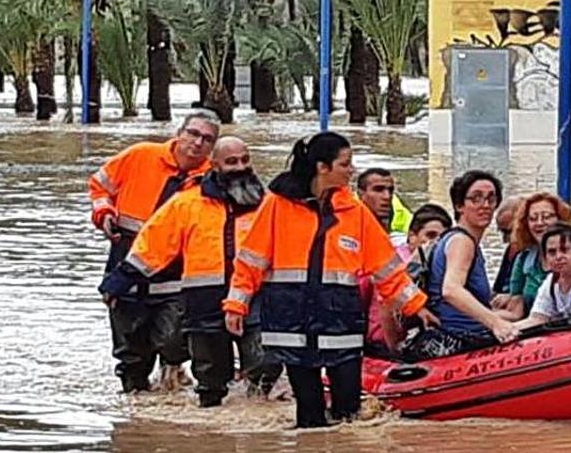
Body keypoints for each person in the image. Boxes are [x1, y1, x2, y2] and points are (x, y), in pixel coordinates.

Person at [221, 132, 438, 428]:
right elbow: (251, 261)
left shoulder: (354, 212)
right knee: (309, 416)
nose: (352, 171)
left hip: (340, 323)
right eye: (345, 164)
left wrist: (416, 306)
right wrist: (237, 304)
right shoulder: (277, 206)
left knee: (348, 412)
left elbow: (387, 269)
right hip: (291, 321)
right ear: (323, 167)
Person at [100, 136, 271, 407]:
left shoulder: (268, 204)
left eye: (245, 160)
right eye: (231, 162)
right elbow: (153, 246)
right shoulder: (187, 204)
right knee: (211, 381)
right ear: (213, 165)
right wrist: (118, 282)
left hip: (257, 298)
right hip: (205, 302)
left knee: (264, 370)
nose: (240, 167)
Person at [88, 110, 219, 393]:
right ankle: (134, 408)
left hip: (176, 278)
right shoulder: (140, 156)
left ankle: (173, 368)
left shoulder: (212, 179)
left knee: (174, 340)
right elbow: (100, 185)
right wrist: (103, 212)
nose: (197, 143)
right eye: (193, 134)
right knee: (130, 350)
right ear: (179, 132)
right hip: (127, 268)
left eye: (207, 139)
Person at [406, 171, 520, 359]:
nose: (485, 205)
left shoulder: (449, 239)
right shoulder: (462, 242)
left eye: (491, 199)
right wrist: (496, 324)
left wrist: (508, 311)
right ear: (459, 205)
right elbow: (451, 290)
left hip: (446, 334)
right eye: (476, 199)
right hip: (458, 341)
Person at [363, 204, 454, 355]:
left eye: (442, 239)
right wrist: (395, 353)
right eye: (430, 236)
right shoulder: (399, 263)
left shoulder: (440, 265)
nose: (435, 244)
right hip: (383, 344)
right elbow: (386, 307)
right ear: (412, 236)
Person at [503, 193, 571, 317]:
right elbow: (515, 308)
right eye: (533, 219)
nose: (539, 223)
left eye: (547, 217)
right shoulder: (523, 258)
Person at [514, 224, 571, 329]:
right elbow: (537, 319)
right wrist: (505, 329)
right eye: (552, 252)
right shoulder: (550, 283)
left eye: (564, 250)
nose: (558, 257)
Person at [356, 168, 413, 245]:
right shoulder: (343, 221)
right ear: (361, 194)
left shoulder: (401, 214)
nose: (387, 196)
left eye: (390, 190)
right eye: (378, 190)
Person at [490, 195, 524, 295]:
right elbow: (498, 288)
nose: (504, 240)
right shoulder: (511, 250)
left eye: (508, 232)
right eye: (501, 232)